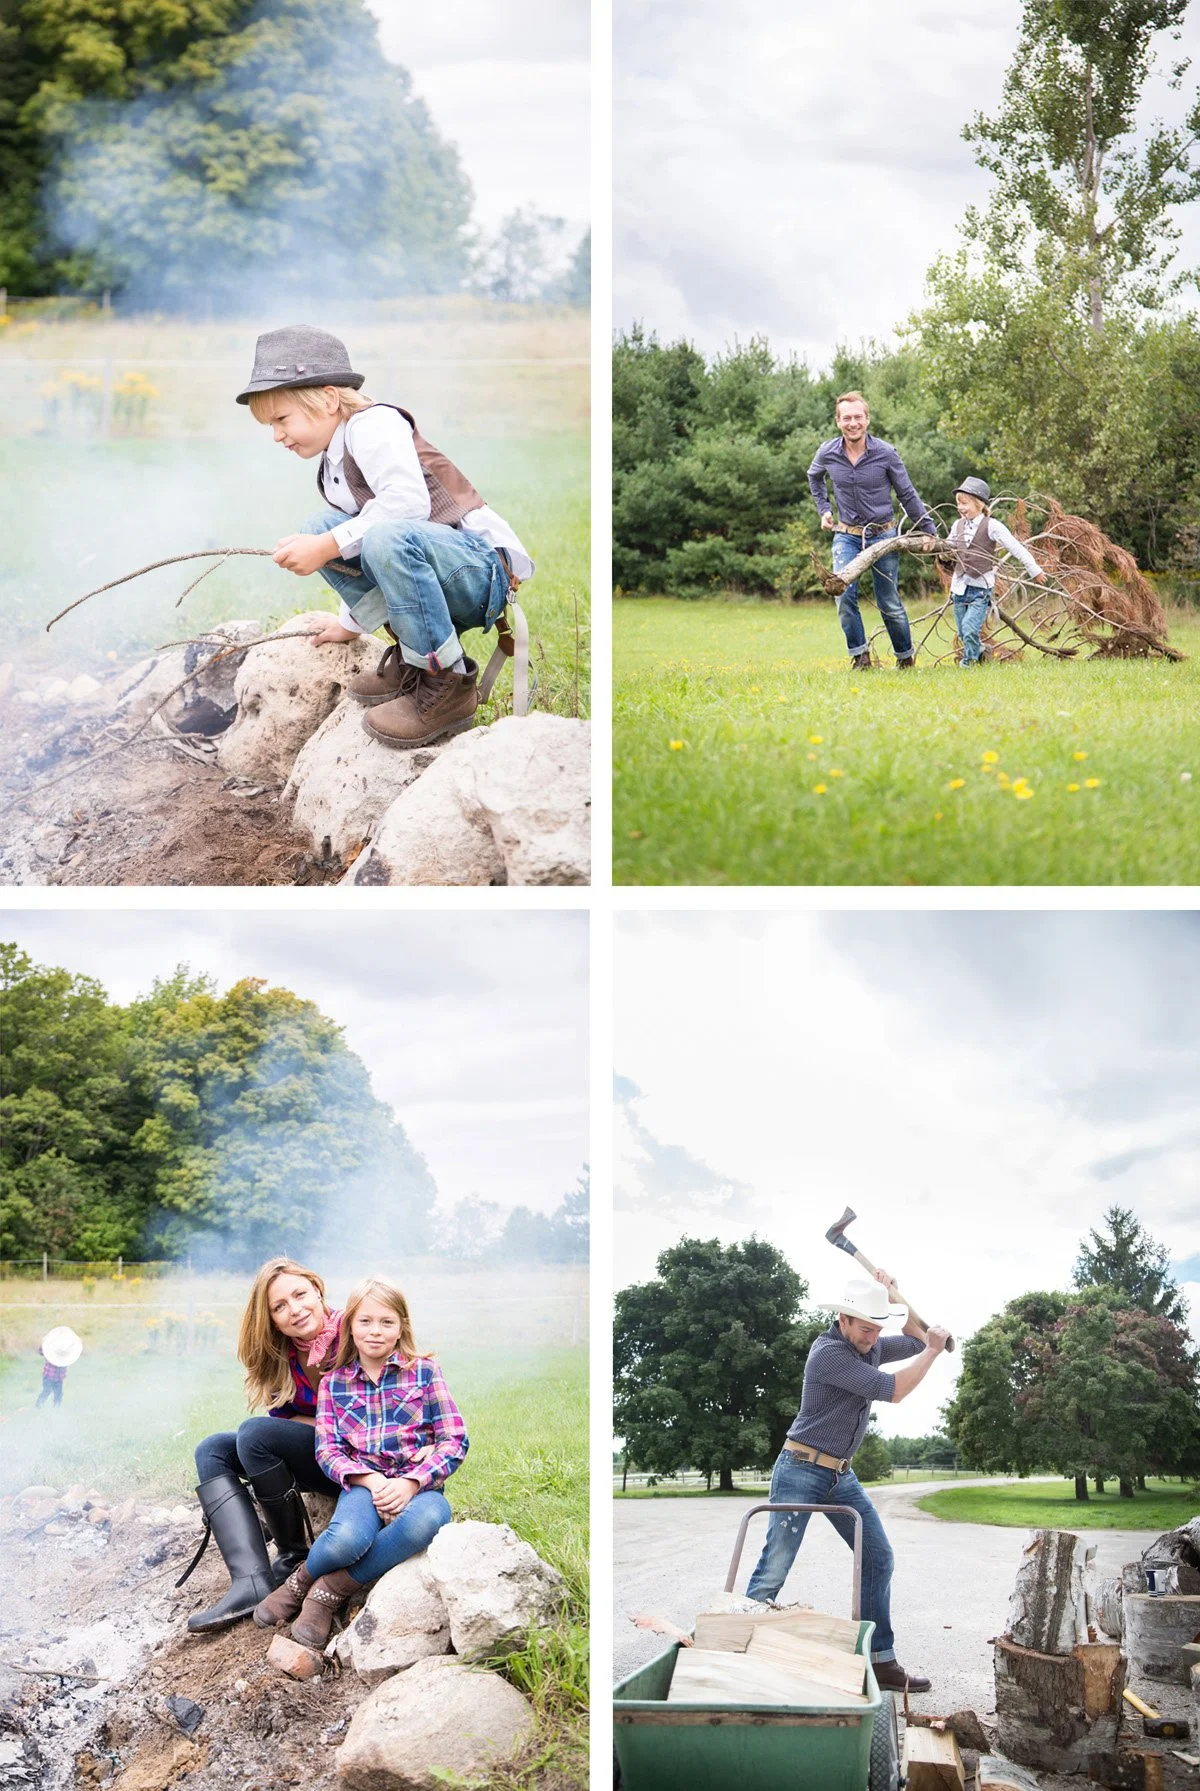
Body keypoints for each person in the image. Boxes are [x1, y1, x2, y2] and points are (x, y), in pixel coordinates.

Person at [237, 324, 534, 749]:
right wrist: (348, 623)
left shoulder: (372, 425)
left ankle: (445, 679)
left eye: (282, 419)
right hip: (434, 568)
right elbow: (363, 538)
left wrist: (326, 548)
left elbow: (406, 505)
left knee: (369, 537)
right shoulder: (334, 467)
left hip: (481, 572)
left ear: (327, 398)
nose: (276, 435)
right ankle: (413, 658)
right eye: (270, 424)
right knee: (321, 527)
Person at [744, 1271, 949, 1693]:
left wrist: (893, 1295)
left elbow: (913, 1337)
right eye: (866, 1327)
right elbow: (893, 1390)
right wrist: (932, 1352)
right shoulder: (828, 1355)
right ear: (843, 1320)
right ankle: (733, 1651)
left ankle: (880, 1662)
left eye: (877, 1328)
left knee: (878, 1558)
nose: (873, 1337)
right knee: (774, 1570)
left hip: (840, 1475)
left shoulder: (868, 1347)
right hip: (800, 1468)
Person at [254, 1276, 467, 1648]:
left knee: (430, 1520)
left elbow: (455, 1438)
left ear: (402, 1326)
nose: (375, 1332)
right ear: (348, 1325)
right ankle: (300, 1579)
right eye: (365, 1321)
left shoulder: (425, 1372)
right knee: (347, 1539)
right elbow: (326, 1449)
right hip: (364, 1484)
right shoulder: (335, 1384)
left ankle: (329, 1589)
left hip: (418, 1486)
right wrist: (368, 1479)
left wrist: (413, 1482)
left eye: (387, 1322)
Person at [182, 1257, 344, 1634]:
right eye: (279, 1307)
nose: (295, 1310)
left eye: (300, 1295)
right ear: (271, 1318)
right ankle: (250, 1580)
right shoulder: (281, 1355)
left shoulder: (353, 1333)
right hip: (316, 1456)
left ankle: (293, 1555)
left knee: (254, 1433)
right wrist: (315, 1425)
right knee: (213, 1449)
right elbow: (283, 1424)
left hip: (356, 1460)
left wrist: (314, 1424)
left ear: (318, 1290)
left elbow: (362, 1415)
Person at [808, 393, 937, 671]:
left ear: (866, 419)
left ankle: (905, 659)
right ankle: (860, 657)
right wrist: (824, 509)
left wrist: (929, 531)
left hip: (883, 536)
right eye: (846, 418)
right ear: (838, 421)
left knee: (888, 601)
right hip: (846, 535)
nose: (852, 423)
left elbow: (907, 494)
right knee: (842, 594)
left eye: (858, 417)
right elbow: (813, 476)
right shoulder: (827, 452)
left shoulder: (886, 453)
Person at [946, 477, 1045, 667]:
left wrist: (1034, 569)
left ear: (979, 503)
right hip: (959, 587)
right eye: (958, 503)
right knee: (962, 631)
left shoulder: (992, 526)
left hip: (980, 588)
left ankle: (969, 662)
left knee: (970, 628)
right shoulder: (956, 526)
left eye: (964, 503)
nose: (960, 507)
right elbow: (948, 547)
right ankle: (982, 650)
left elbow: (1015, 547)